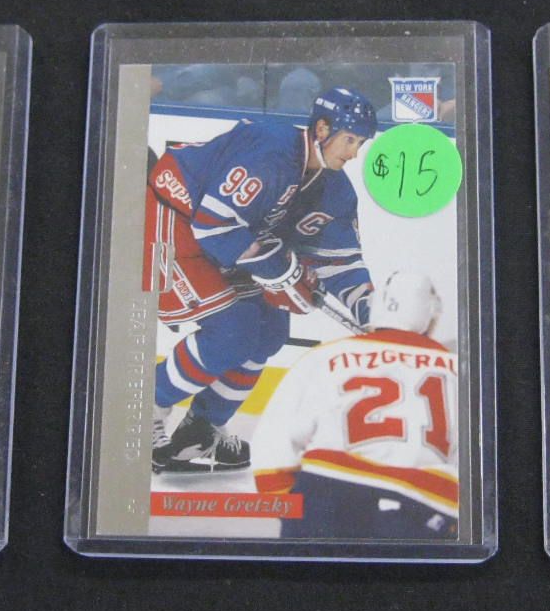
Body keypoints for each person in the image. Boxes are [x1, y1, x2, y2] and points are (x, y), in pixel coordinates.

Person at [145, 88, 378, 473]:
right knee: (233, 330)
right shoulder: (272, 151)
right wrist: (279, 269)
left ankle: (202, 428)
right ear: (322, 129)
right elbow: (214, 225)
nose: (354, 153)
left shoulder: (335, 191)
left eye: (361, 143)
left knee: (269, 331)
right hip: (174, 218)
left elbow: (340, 262)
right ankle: (142, 412)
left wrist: (373, 313)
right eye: (350, 139)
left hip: (226, 239)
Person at [250, 271, 458, 540]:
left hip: (326, 494)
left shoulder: (324, 357)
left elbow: (273, 439)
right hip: (419, 503)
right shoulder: (458, 370)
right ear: (431, 315)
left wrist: (291, 506)